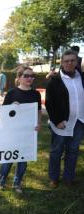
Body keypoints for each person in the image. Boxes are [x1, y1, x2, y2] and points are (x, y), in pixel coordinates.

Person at [0, 66, 42, 193]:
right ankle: (1, 181)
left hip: (28, 133)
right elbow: (3, 113)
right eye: (26, 76)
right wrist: (11, 107)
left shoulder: (36, 94)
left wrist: (39, 123)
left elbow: (38, 111)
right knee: (8, 158)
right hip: (12, 133)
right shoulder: (12, 93)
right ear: (19, 77)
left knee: (23, 160)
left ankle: (17, 184)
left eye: (32, 76)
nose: (30, 78)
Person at [45, 49, 84, 188]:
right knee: (56, 151)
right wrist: (57, 121)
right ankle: (54, 178)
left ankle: (69, 177)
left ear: (77, 61)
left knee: (73, 151)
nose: (69, 63)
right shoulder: (54, 81)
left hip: (79, 121)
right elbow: (49, 103)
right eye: (66, 61)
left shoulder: (82, 77)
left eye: (72, 60)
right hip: (61, 122)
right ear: (62, 62)